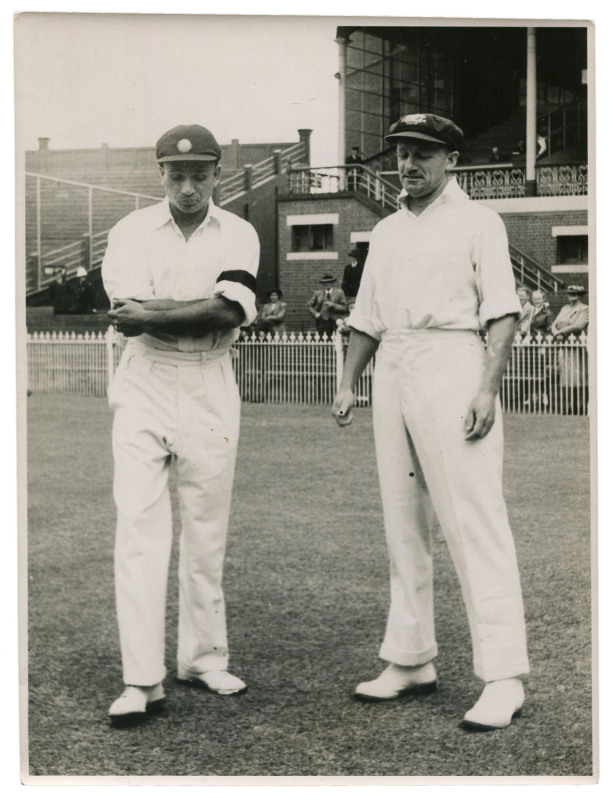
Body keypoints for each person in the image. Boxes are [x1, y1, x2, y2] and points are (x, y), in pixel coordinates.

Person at [332, 112, 529, 731]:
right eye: (400, 153)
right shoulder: (386, 230)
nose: (407, 164)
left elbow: (502, 312)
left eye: (422, 153)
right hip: (395, 366)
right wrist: (347, 381)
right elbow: (367, 317)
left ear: (452, 160)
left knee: (474, 520)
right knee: (402, 519)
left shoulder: (480, 222)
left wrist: (485, 388)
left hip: (452, 363)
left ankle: (503, 677)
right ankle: (411, 658)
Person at [102, 124, 260, 726]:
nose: (188, 187)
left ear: (217, 174)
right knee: (140, 527)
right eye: (176, 174)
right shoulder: (130, 231)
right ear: (160, 174)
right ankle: (141, 679)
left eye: (199, 175)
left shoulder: (239, 232)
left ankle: (202, 657)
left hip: (211, 379)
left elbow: (229, 308)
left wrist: (159, 310)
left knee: (205, 528)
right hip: (145, 380)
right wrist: (170, 312)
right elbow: (129, 319)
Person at [551, 285, 589, 414]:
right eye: (569, 294)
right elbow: (554, 324)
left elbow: (578, 325)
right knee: (567, 377)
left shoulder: (584, 309)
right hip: (563, 345)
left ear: (580, 295)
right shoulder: (565, 308)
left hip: (576, 346)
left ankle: (581, 406)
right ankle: (571, 406)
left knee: (579, 377)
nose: (571, 296)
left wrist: (562, 331)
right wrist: (556, 333)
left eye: (574, 294)